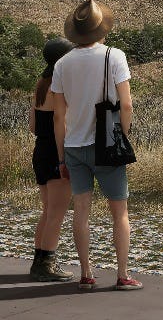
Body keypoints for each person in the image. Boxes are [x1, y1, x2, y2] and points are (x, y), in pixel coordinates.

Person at [51, 0, 142, 291]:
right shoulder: (114, 57)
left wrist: (61, 156)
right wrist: (120, 136)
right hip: (106, 144)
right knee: (120, 212)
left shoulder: (62, 63)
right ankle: (123, 274)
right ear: (102, 28)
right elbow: (126, 104)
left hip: (74, 146)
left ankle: (87, 273)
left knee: (81, 210)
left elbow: (58, 115)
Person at [29, 37, 76, 282]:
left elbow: (33, 126)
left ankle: (39, 262)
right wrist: (62, 157)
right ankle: (47, 264)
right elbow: (61, 123)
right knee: (57, 212)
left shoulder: (40, 83)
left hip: (40, 150)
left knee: (48, 210)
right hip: (57, 151)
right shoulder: (60, 87)